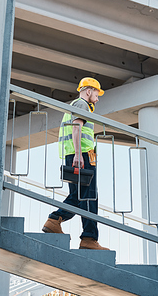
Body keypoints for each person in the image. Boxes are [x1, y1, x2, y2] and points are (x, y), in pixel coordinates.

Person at [42, 77, 109, 250]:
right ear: (88, 91)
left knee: (78, 197)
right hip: (81, 156)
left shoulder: (78, 105)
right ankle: (88, 238)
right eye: (96, 93)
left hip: (78, 155)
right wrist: (79, 154)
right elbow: (76, 128)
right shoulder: (81, 104)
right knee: (89, 196)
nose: (98, 97)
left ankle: (54, 221)